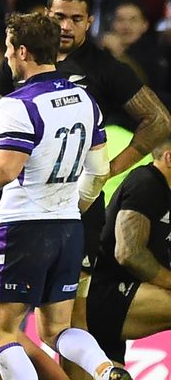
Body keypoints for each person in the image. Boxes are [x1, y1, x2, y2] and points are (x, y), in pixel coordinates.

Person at [0, 0, 171, 378]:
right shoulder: (23, 65)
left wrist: (115, 168)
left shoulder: (101, 69)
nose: (66, 26)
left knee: (1, 328)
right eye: (59, 16)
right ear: (46, 17)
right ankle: (103, 370)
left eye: (76, 18)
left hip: (59, 213)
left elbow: (158, 119)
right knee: (56, 326)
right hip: (57, 214)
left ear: (90, 21)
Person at [0, 12, 128, 380]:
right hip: (68, 228)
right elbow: (98, 172)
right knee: (56, 330)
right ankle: (105, 369)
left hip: (24, 233)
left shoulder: (17, 104)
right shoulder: (84, 99)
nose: (6, 57)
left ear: (23, 51)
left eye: (8, 49)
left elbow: (4, 170)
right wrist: (63, 207)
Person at [87, 137, 171, 367]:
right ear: (169, 158)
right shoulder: (147, 183)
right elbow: (129, 253)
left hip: (124, 295)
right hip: (103, 293)